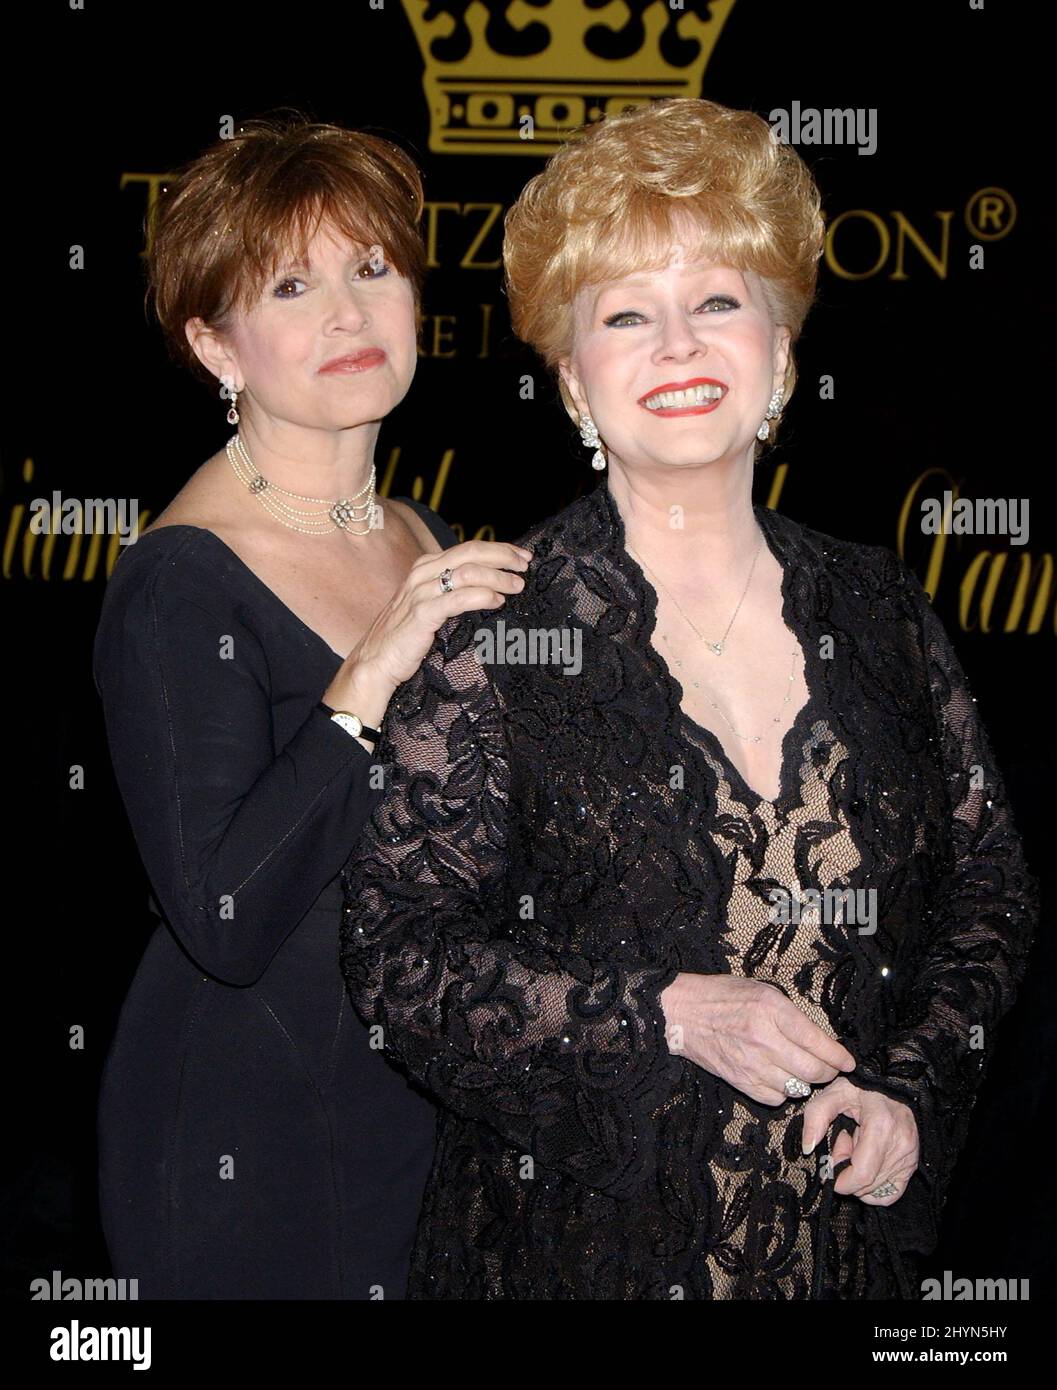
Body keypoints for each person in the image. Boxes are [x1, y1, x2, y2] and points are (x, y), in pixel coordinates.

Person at [338, 97, 1039, 1299]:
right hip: (575, 1258)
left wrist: (910, 1088)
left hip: (840, 1264)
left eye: (716, 300)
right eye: (626, 313)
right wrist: (663, 1012)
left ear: (782, 351)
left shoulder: (877, 606)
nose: (677, 345)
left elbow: (990, 891)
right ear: (572, 379)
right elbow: (398, 961)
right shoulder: (495, 634)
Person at [93, 115, 532, 1299]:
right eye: (291, 287)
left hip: (422, 1114)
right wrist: (369, 671)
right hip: (255, 1138)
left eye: (372, 269)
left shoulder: (420, 536)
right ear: (214, 345)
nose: (349, 314)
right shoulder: (181, 584)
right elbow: (225, 917)